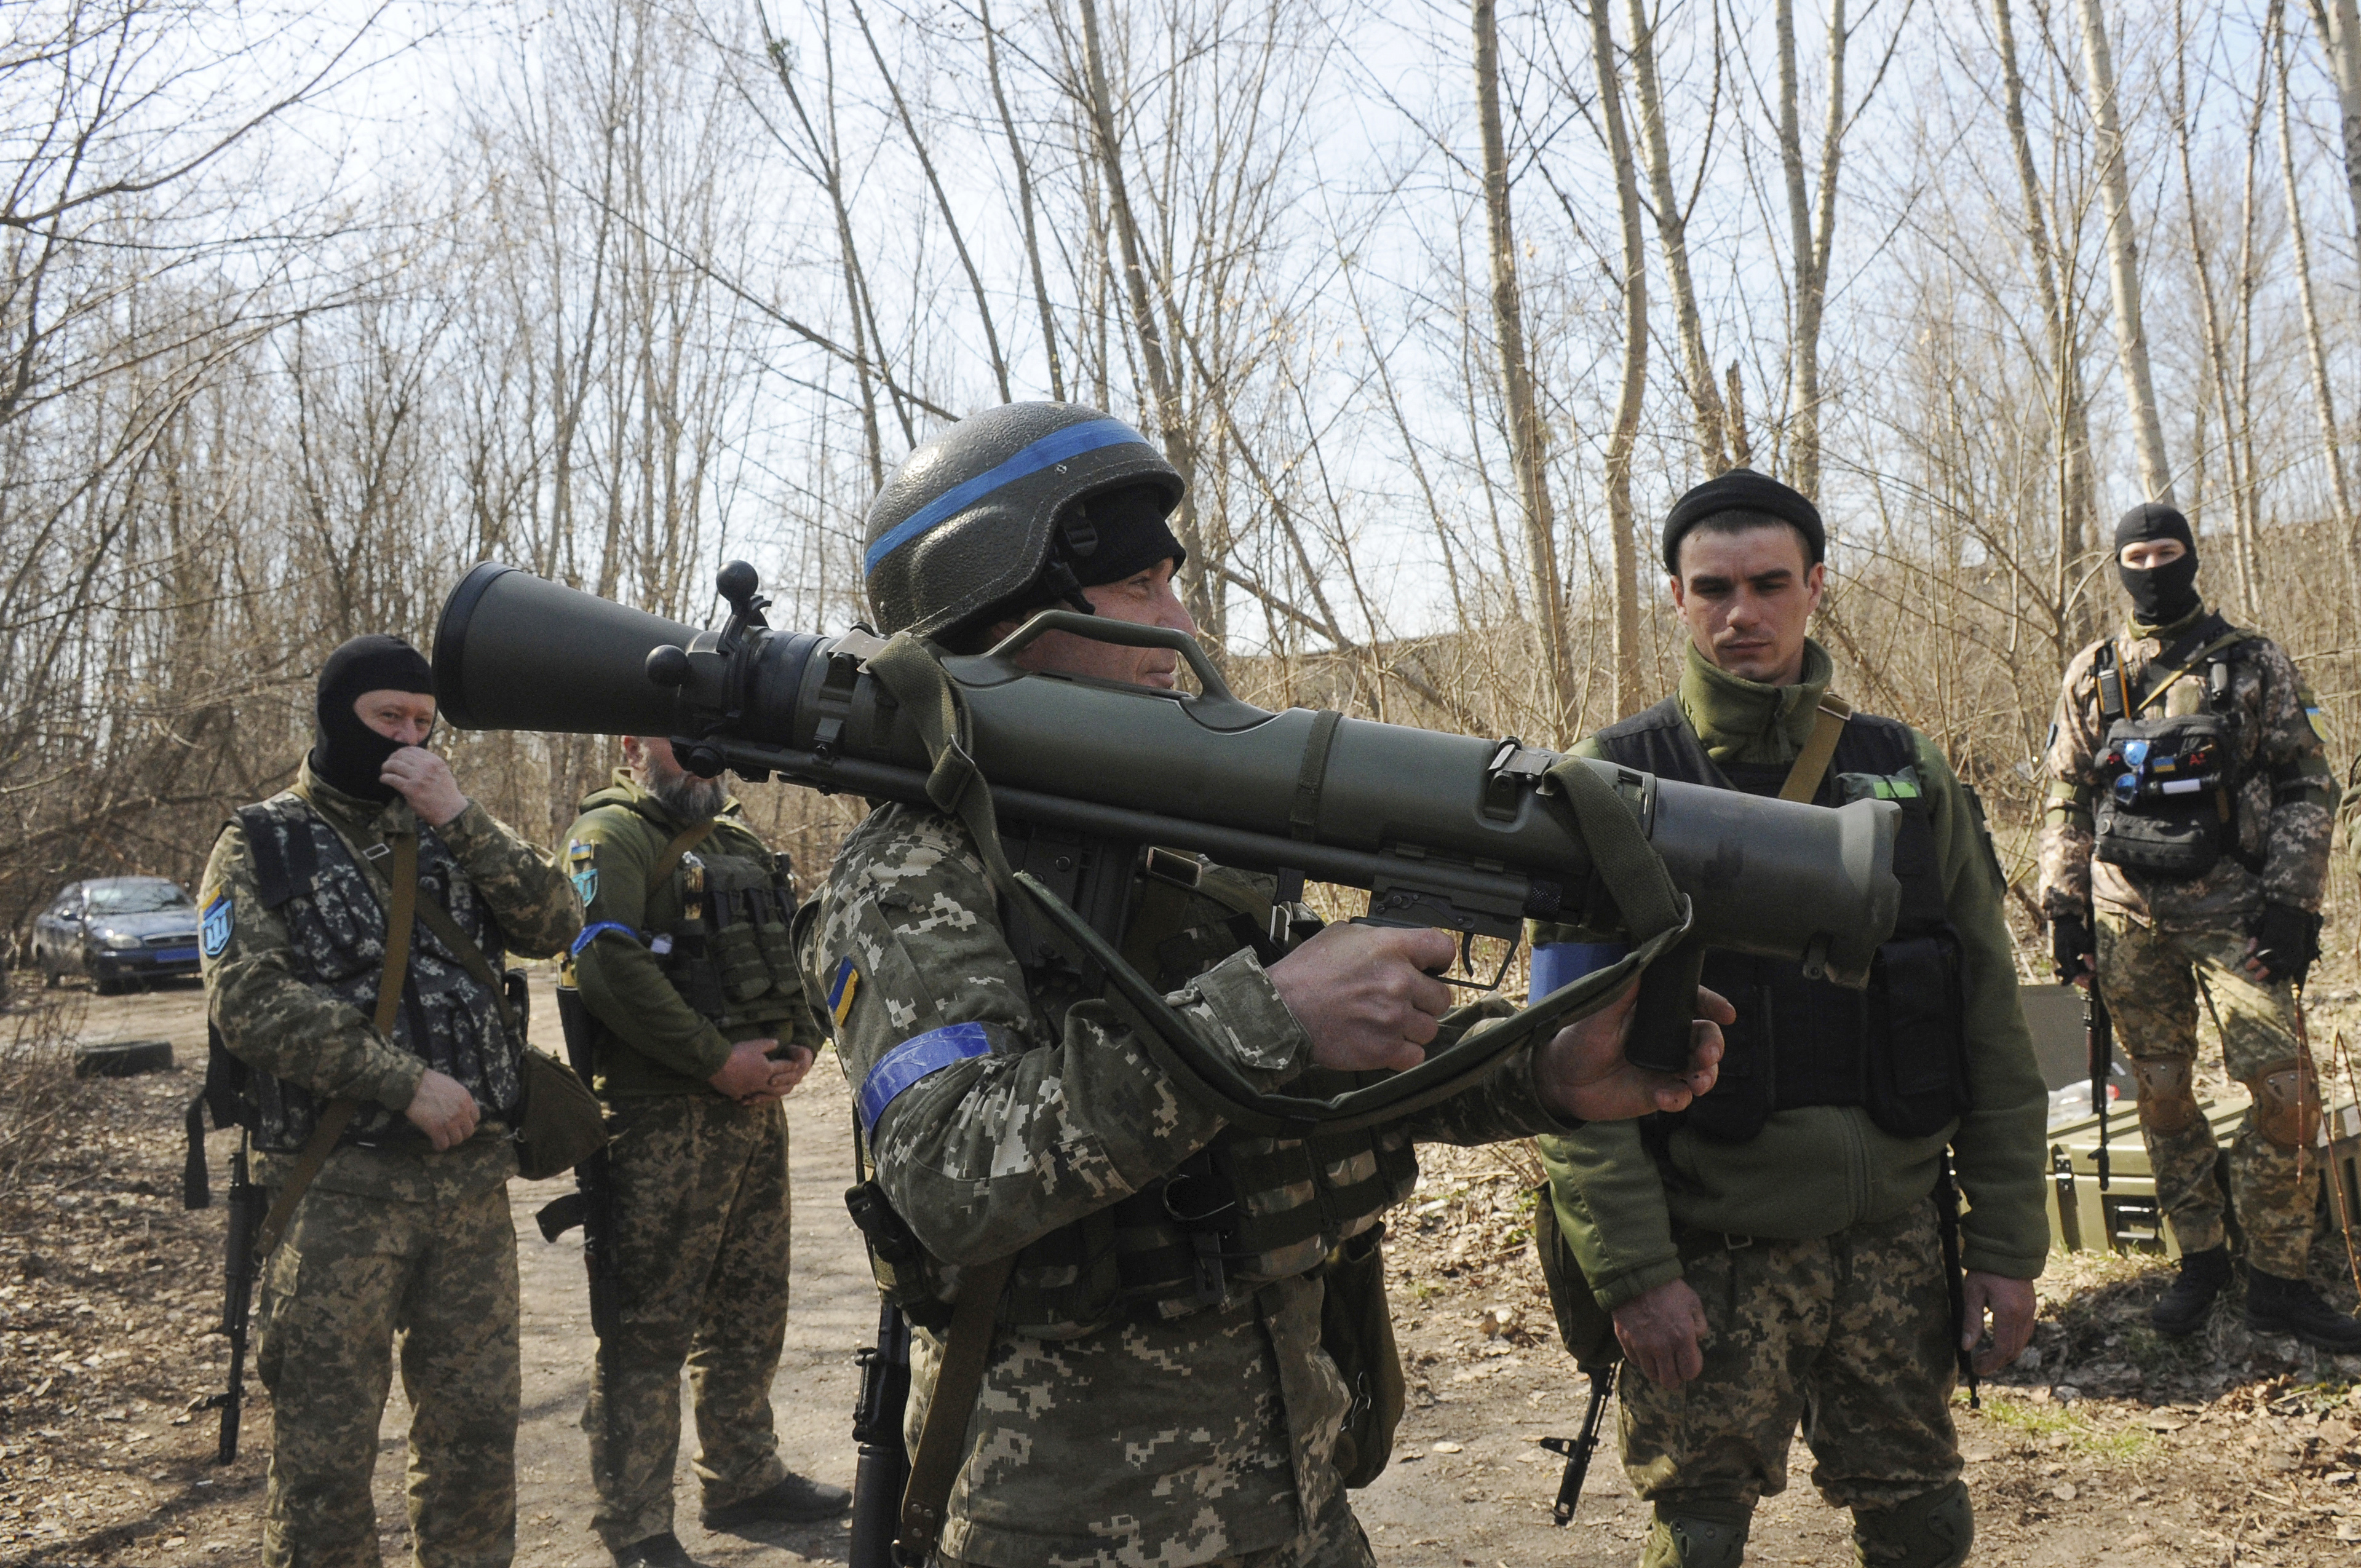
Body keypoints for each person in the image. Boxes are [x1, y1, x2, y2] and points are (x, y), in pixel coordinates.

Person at [801, 400, 1732, 1568]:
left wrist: (1541, 1068)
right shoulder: (911, 866)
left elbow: (1332, 1063)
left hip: (1295, 1490)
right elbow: (950, 1168)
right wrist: (1270, 1010)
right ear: (999, 611)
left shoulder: (1175, 826)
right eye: (1140, 588)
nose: (1179, 622)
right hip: (1066, 1524)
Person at [1530, 470, 2049, 1568]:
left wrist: (2006, 1242)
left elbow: (1992, 1018)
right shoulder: (1610, 782)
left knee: (1924, 1520)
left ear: (1816, 586)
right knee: (1700, 1536)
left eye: (1770, 583)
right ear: (1675, 597)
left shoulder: (1904, 770)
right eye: (1712, 588)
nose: (1741, 614)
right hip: (1714, 1250)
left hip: (1900, 1243)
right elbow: (1563, 1066)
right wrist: (1634, 1273)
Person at [199, 633, 582, 1567]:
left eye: (422, 722)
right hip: (335, 1193)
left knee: (476, 1438)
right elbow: (245, 998)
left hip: (467, 1192)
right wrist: (402, 1080)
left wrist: (462, 815)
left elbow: (558, 921)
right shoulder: (261, 840)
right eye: (387, 720)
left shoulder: (446, 828)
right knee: (325, 1458)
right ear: (338, 718)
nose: (409, 739)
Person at [2039, 502, 2349, 1348]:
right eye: (2136, 554)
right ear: (2119, 566)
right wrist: (2065, 909)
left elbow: (2307, 783)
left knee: (2287, 1096)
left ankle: (2278, 1278)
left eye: (2166, 550)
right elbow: (2066, 792)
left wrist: (2294, 902)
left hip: (2242, 913)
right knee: (2165, 1095)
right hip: (2128, 918)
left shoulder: (2253, 662)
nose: (2152, 566)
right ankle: (2201, 1255)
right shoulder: (2093, 670)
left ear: (2191, 558)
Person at [561, 737, 847, 1568]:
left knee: (751, 1307)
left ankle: (743, 1474)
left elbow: (792, 951)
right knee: (646, 1327)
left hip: (756, 1113)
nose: (698, 761)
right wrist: (715, 1059)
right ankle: (636, 1522)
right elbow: (604, 963)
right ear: (632, 748)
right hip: (661, 1121)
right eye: (675, 746)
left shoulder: (741, 838)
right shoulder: (611, 836)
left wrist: (801, 1047)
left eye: (704, 746)